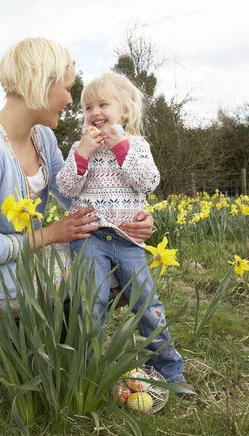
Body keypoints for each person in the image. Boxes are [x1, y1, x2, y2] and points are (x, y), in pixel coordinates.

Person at [0, 37, 153, 303]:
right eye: (67, 88)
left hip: (23, 257)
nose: (70, 100)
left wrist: (132, 218)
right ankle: (35, 330)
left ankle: (63, 332)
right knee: (104, 269)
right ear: (40, 84)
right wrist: (52, 234)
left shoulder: (42, 137)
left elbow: (78, 194)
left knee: (119, 254)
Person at [56, 72, 194, 392]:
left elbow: (147, 182)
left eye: (104, 104)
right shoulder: (80, 147)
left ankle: (169, 371)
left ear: (126, 112)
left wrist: (122, 149)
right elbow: (66, 187)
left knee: (147, 303)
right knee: (90, 304)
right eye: (88, 107)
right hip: (90, 237)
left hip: (129, 240)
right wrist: (81, 156)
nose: (95, 112)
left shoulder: (137, 145)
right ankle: (88, 373)